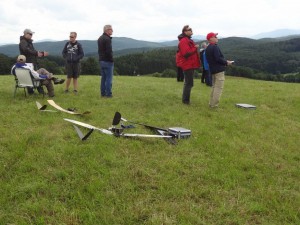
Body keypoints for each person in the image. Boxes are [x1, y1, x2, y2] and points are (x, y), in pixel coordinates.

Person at [205, 32, 234, 108]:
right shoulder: (214, 47)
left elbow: (213, 59)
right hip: (219, 70)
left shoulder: (207, 48)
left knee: (214, 87)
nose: (217, 38)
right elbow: (218, 58)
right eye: (215, 36)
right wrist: (226, 62)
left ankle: (211, 103)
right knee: (218, 88)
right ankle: (214, 105)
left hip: (213, 70)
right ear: (211, 39)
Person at [19, 28, 49, 94]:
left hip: (32, 62)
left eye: (32, 34)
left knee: (34, 76)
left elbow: (32, 51)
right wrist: (36, 53)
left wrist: (40, 53)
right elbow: (26, 50)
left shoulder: (28, 42)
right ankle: (33, 92)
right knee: (33, 77)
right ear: (25, 34)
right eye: (30, 34)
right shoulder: (23, 42)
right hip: (28, 63)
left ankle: (35, 92)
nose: (31, 35)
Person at [176, 25, 200, 104]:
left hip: (190, 64)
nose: (191, 31)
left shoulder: (187, 40)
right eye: (189, 30)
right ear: (185, 32)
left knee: (189, 83)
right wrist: (195, 48)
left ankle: (186, 100)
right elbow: (186, 53)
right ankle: (185, 101)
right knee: (189, 83)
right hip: (187, 64)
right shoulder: (183, 41)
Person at [98, 25, 114, 98]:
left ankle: (102, 93)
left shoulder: (100, 38)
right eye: (111, 29)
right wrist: (111, 60)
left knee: (103, 78)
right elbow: (108, 51)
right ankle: (108, 94)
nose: (112, 31)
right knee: (109, 79)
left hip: (101, 61)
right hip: (107, 61)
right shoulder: (107, 39)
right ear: (107, 30)